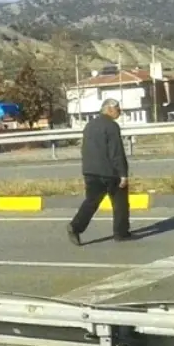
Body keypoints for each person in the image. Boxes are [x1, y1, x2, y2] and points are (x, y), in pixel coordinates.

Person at [68, 98, 132, 245]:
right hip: (109, 172)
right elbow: (116, 152)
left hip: (90, 170)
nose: (120, 111)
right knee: (120, 202)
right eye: (118, 109)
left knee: (91, 201)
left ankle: (75, 227)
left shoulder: (90, 125)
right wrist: (123, 174)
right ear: (109, 109)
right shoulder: (111, 126)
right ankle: (121, 233)